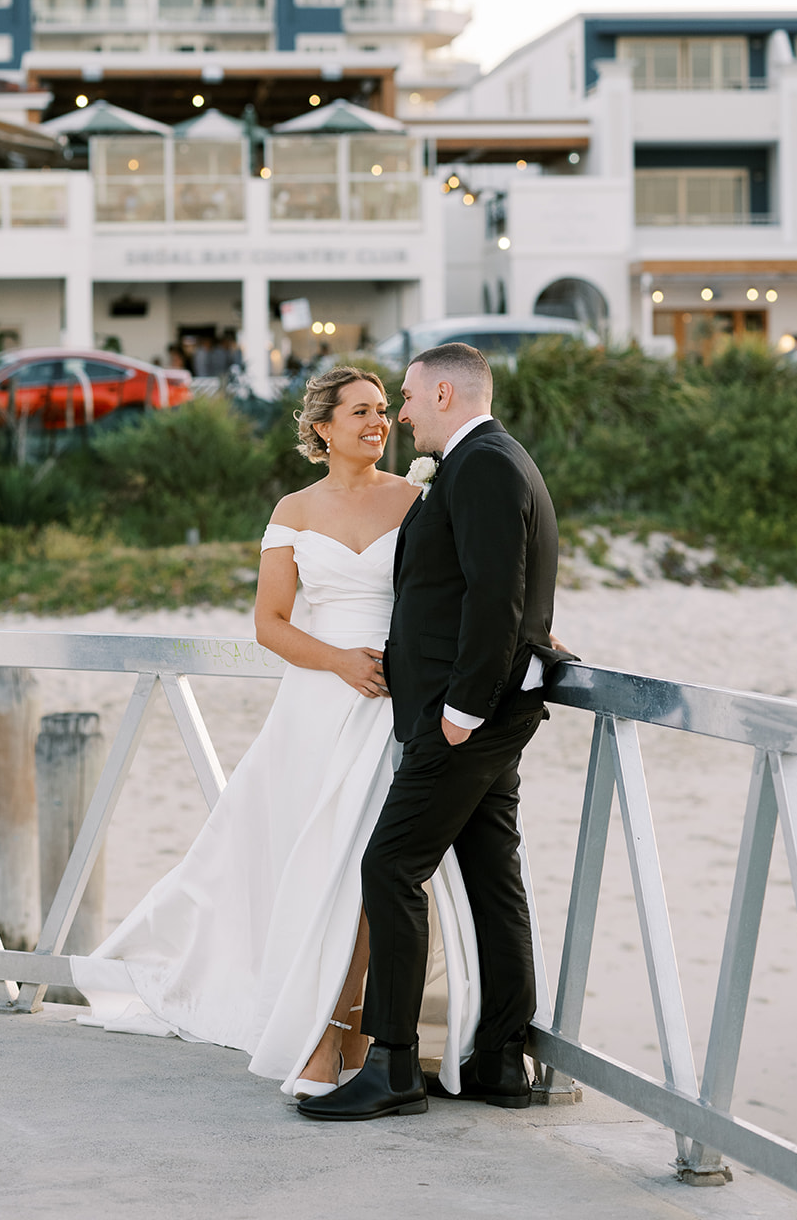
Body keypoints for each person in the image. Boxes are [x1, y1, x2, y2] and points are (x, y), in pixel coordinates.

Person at [69, 366, 481, 1098]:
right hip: (317, 706)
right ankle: (335, 1027)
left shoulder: (418, 500)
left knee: (366, 870)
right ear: (322, 427)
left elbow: (454, 591)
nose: (377, 423)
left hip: (393, 705)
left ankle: (340, 1034)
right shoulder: (293, 509)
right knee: (314, 867)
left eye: (383, 410)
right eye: (360, 412)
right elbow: (269, 625)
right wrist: (341, 663)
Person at [299, 342, 577, 1122]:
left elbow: (496, 592)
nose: (404, 414)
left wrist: (462, 710)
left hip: (466, 720)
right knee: (493, 876)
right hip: (482, 711)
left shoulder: (484, 462)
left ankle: (391, 1065)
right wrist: (534, 646)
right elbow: (498, 585)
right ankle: (500, 1061)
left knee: (389, 867)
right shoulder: (487, 460)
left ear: (447, 393)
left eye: (411, 399)